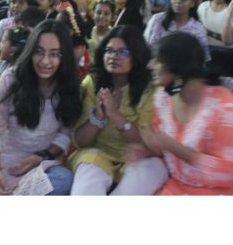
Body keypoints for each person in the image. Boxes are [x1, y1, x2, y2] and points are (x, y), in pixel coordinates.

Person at [0, 20, 81, 195]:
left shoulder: (71, 87)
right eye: (39, 52)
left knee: (64, 180)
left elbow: (65, 134)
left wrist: (41, 157)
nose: (45, 61)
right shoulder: (11, 79)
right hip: (3, 158)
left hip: (41, 163)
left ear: (64, 57)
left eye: (54, 54)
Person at [144, 32, 233, 195]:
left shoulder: (224, 107)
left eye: (157, 60)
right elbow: (159, 147)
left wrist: (174, 147)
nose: (150, 65)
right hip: (178, 185)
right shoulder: (162, 98)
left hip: (223, 191)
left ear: (177, 66)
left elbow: (232, 173)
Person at [69, 25, 167, 195]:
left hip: (136, 158)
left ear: (136, 55)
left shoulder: (150, 89)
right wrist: (97, 118)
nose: (114, 56)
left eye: (123, 52)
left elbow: (144, 143)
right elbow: (80, 141)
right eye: (109, 51)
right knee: (86, 185)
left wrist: (115, 114)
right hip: (96, 154)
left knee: (156, 167)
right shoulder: (92, 83)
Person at [144, 0, 210, 60]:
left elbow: (202, 59)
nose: (178, 1)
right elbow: (145, 48)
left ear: (192, 3)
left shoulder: (198, 29)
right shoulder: (157, 20)